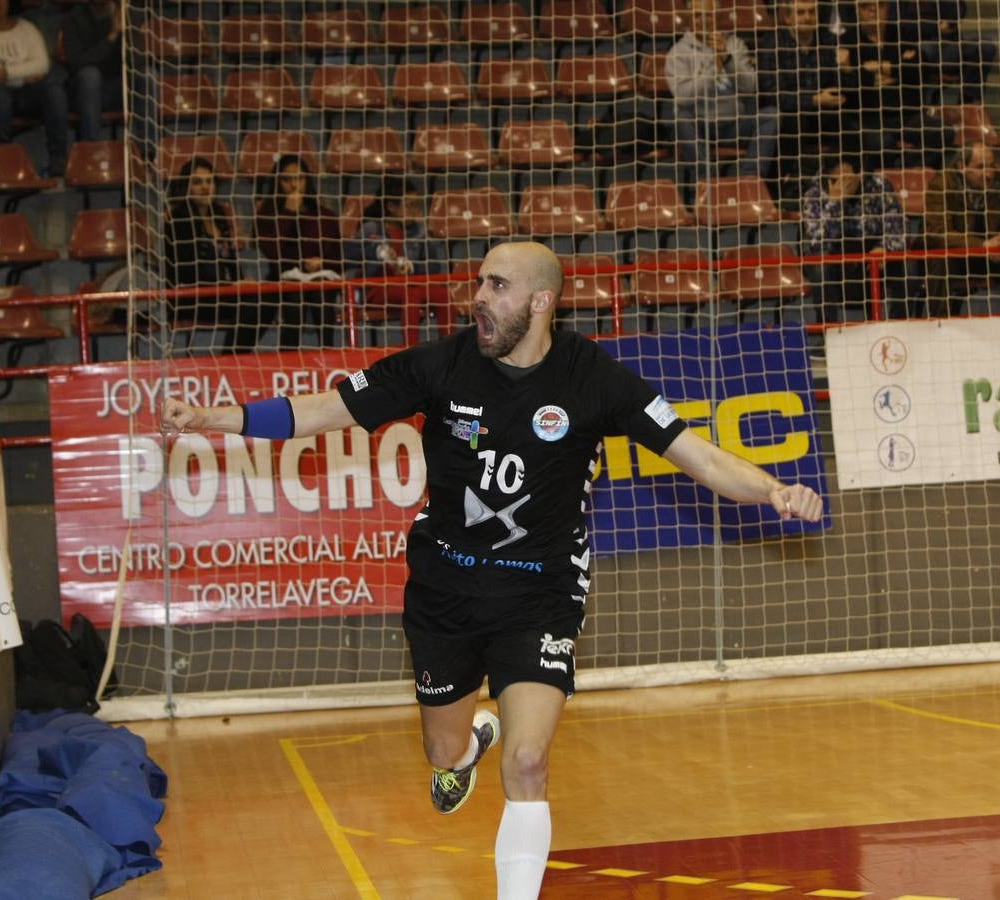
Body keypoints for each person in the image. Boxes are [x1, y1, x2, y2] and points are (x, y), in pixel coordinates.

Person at [159, 240, 825, 900]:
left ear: (540, 302)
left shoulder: (596, 379)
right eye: (479, 282)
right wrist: (214, 417)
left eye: (497, 286)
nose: (478, 296)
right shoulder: (440, 365)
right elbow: (324, 410)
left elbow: (701, 458)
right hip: (446, 585)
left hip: (541, 589)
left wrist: (772, 491)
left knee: (529, 761)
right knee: (442, 756)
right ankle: (469, 745)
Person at [922, 141, 1000, 315]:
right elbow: (940, 233)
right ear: (962, 166)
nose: (988, 174)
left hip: (993, 254)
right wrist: (983, 245)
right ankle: (939, 321)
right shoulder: (940, 185)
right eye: (980, 167)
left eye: (991, 166)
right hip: (959, 255)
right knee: (940, 257)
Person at [665, 0, 779, 177]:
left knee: (771, 115)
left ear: (717, 16)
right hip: (700, 125)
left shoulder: (735, 44)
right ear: (689, 18)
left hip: (734, 123)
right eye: (697, 15)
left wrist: (726, 59)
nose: (703, 20)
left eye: (708, 15)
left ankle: (749, 179)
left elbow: (750, 87)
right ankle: (708, 183)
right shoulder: (677, 52)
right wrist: (713, 68)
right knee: (682, 118)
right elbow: (682, 97)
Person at [0, 0, 70, 176]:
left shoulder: (26, 28)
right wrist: (22, 74)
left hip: (20, 94)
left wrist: (7, 73)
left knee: (53, 91)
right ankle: (3, 160)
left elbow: (42, 65)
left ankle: (59, 161)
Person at [756, 0, 858, 196]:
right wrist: (813, 99)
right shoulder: (771, 44)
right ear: (787, 17)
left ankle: (846, 185)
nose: (807, 17)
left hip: (824, 111)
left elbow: (849, 88)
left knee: (847, 124)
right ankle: (778, 190)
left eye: (811, 12)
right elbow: (772, 95)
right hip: (791, 114)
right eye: (801, 12)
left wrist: (847, 69)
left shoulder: (829, 40)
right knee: (793, 124)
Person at [843, 0, 950, 170]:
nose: (874, 10)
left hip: (907, 116)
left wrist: (883, 68)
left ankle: (906, 168)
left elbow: (921, 69)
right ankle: (894, 176)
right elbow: (851, 82)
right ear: (857, 10)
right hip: (868, 120)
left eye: (880, 5)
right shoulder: (846, 41)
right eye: (866, 6)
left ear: (888, 8)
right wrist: (897, 70)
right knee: (882, 143)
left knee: (944, 133)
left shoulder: (901, 34)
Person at [346, 176, 453, 344]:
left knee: (443, 294)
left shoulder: (419, 232)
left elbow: (434, 266)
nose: (414, 209)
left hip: (412, 285)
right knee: (412, 294)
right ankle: (411, 352)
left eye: (416, 205)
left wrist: (411, 267)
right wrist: (377, 251)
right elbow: (348, 254)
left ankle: (450, 349)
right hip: (378, 288)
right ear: (391, 207)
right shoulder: (372, 227)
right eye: (409, 205)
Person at [253, 154, 344, 349]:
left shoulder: (325, 216)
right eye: (287, 179)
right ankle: (288, 356)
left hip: (322, 278)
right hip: (283, 280)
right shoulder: (267, 215)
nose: (294, 185)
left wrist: (321, 263)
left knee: (320, 289)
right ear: (278, 182)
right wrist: (289, 214)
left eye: (300, 178)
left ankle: (328, 353)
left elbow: (339, 259)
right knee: (295, 293)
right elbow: (274, 255)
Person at [801, 156, 908, 321]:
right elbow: (816, 243)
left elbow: (898, 227)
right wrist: (835, 203)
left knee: (906, 264)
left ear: (859, 175)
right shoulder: (814, 194)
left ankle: (897, 326)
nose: (842, 185)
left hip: (872, 253)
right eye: (836, 180)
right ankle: (828, 332)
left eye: (847, 180)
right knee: (818, 267)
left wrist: (885, 248)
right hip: (835, 258)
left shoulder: (879, 186)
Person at [164, 157, 242, 341]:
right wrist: (231, 286)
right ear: (186, 187)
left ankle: (232, 357)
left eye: (209, 181)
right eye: (198, 182)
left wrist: (241, 281)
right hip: (192, 296)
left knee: (261, 299)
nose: (206, 187)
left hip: (220, 292)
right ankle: (231, 357)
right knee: (251, 305)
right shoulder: (177, 219)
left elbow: (230, 258)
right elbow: (189, 270)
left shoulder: (219, 214)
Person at [58, 0, 123, 143]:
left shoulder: (126, 14)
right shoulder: (72, 19)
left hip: (120, 90)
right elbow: (77, 61)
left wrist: (124, 33)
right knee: (90, 75)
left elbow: (140, 59)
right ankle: (90, 146)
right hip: (83, 92)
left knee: (147, 75)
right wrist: (113, 35)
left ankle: (147, 152)